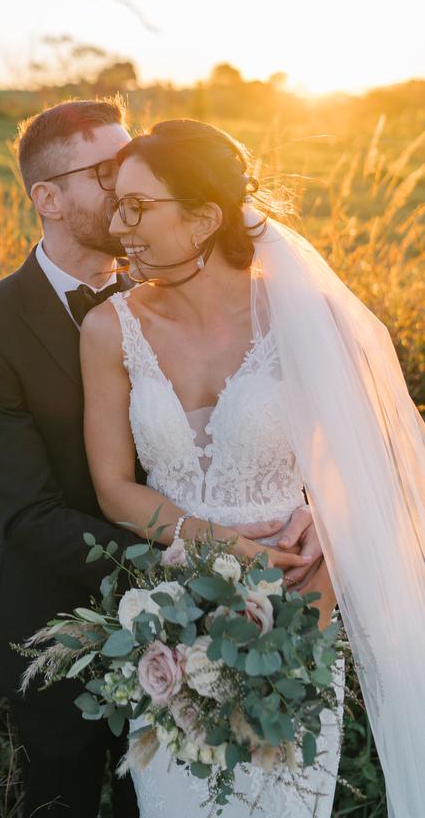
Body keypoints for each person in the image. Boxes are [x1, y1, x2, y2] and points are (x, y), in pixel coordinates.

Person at [0, 102, 324, 817]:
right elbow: (28, 514)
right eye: (106, 174)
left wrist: (309, 520)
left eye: (133, 174)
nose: (123, 193)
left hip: (247, 622)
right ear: (47, 198)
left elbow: (283, 441)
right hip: (65, 627)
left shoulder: (185, 281)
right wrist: (196, 570)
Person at [80, 119, 425, 817]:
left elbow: (376, 468)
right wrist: (221, 545)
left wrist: (325, 539)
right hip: (169, 625)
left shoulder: (310, 317)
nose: (119, 226)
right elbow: (114, 488)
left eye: (137, 206)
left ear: (205, 216)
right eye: (117, 204)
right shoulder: (108, 328)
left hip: (297, 613)